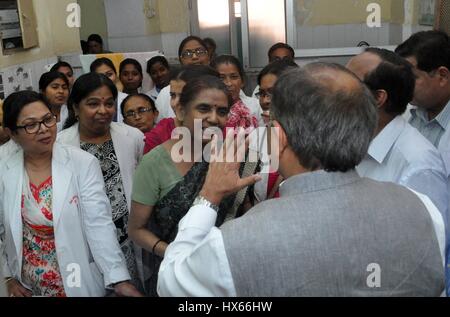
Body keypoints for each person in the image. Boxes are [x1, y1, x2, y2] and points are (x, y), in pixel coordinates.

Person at [157, 64, 445, 297]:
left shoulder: (232, 246)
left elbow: (171, 282)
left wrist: (208, 197)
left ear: (279, 136)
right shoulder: (425, 210)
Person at [0, 91, 141, 297]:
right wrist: (9, 277)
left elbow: (98, 223)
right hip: (27, 284)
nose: (44, 130)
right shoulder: (4, 168)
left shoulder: (81, 163)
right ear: (12, 133)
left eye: (48, 119)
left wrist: (118, 277)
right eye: (31, 125)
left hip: (75, 276)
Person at [129, 75, 252, 296]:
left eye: (222, 111)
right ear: (181, 112)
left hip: (228, 271)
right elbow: (136, 229)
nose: (214, 118)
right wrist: (177, 254)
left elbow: (245, 212)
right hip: (177, 274)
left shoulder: (232, 156)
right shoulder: (154, 162)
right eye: (203, 109)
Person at [57, 73, 145, 290]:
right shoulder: (59, 145)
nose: (103, 111)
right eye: (93, 104)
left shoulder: (132, 137)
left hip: (127, 236)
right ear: (76, 108)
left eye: (109, 104)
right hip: (85, 238)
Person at [347, 47, 448, 222]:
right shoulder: (348, 144)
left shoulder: (418, 167)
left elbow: (433, 242)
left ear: (379, 98)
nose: (334, 92)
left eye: (348, 83)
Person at [144, 65, 219, 154]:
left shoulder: (226, 131)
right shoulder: (160, 135)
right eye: (173, 95)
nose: (175, 103)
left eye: (184, 96)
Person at [253, 59, 298, 202]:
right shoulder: (258, 137)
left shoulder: (319, 141)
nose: (265, 100)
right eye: (262, 93)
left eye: (273, 92)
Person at [155, 36, 210, 122]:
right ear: (181, 60)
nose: (195, 57)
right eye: (187, 54)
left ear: (208, 57)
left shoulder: (221, 88)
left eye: (200, 52)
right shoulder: (165, 94)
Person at [211, 55, 260, 129]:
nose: (228, 83)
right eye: (221, 78)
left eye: (234, 77)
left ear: (242, 81)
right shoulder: (206, 110)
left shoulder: (255, 106)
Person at [90, 57, 128, 122]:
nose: (106, 79)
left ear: (116, 74)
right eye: (100, 76)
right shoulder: (89, 101)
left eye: (109, 74)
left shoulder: (127, 98)